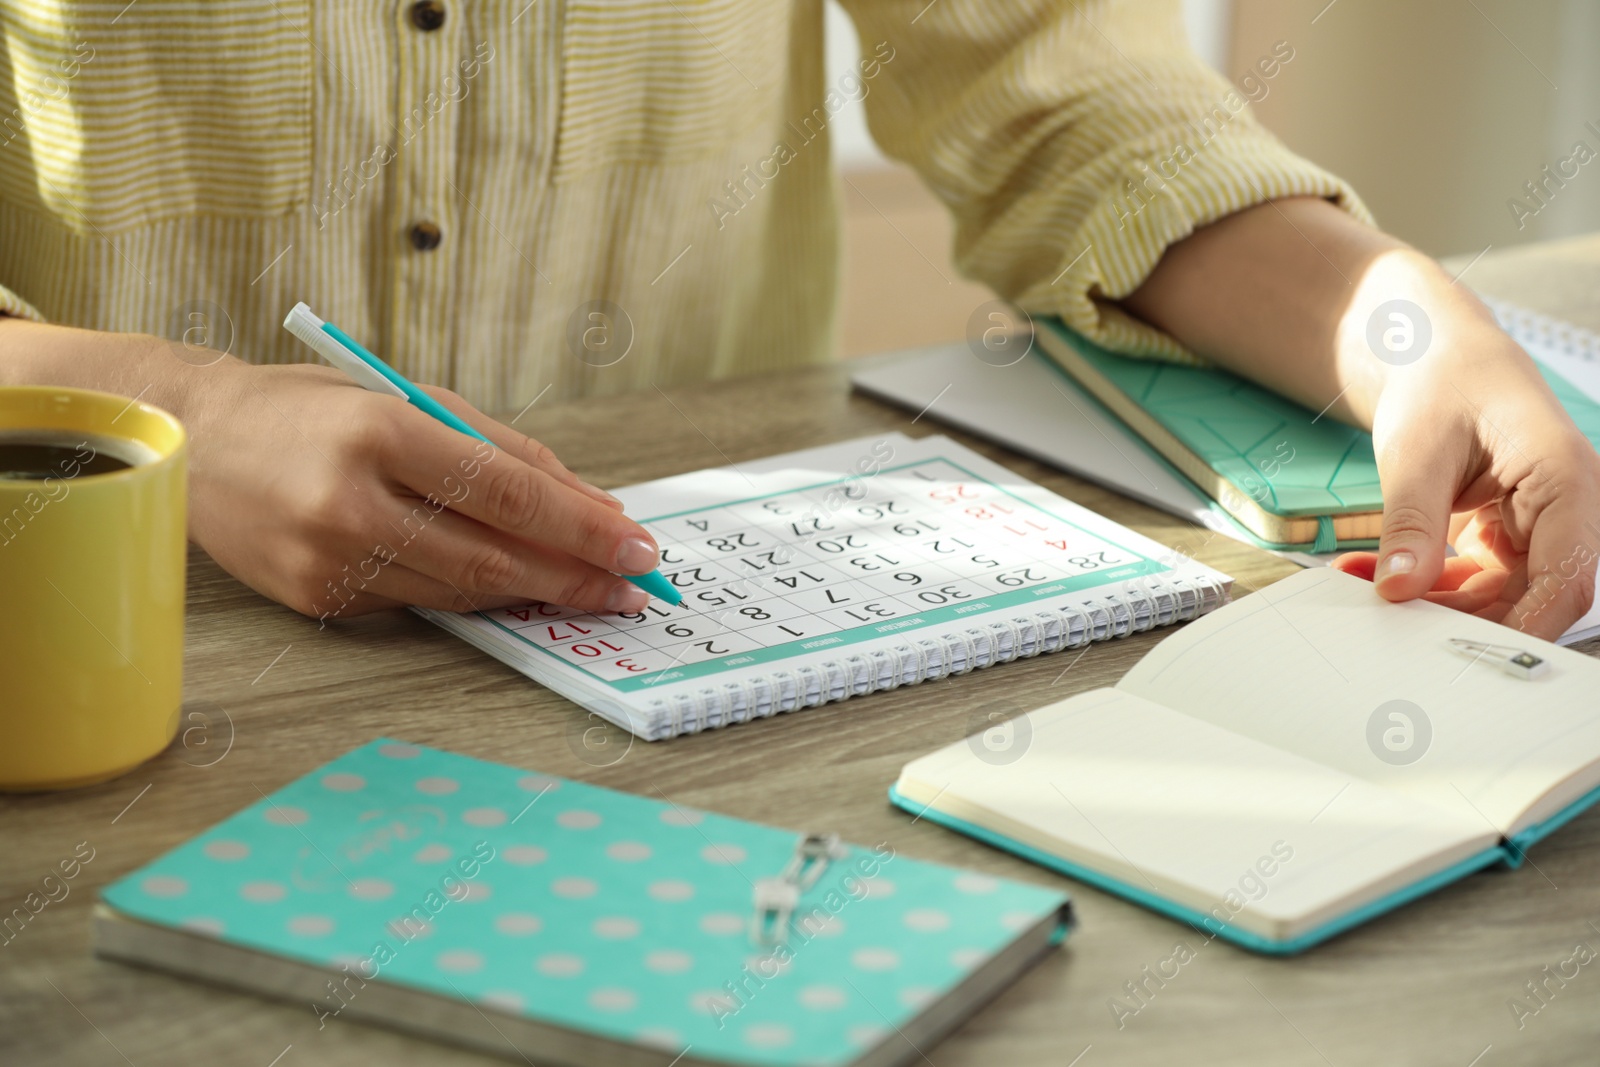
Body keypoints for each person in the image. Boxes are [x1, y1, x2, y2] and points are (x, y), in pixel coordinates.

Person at [0, 1, 1593, 638]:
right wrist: (174, 414)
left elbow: (1050, 88)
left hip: (676, 651)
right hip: (104, 640)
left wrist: (1395, 317)